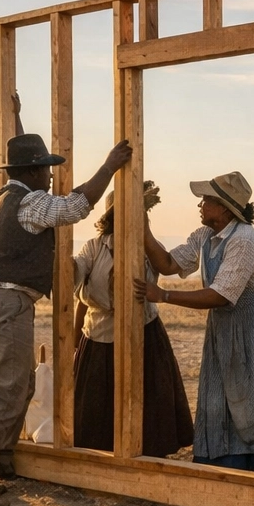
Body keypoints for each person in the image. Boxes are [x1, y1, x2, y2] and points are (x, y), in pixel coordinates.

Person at [0, 131, 133, 506]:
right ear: (31, 171)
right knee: (2, 394)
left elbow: (53, 206)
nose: (49, 178)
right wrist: (108, 167)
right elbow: (75, 206)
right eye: (44, 170)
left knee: (17, 386)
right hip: (5, 300)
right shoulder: (29, 203)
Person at [137, 171, 254, 474]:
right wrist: (142, 225)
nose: (201, 205)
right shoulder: (205, 236)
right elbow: (166, 263)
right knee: (223, 397)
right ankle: (226, 468)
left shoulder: (244, 240)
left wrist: (162, 296)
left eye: (207, 200)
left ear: (226, 208)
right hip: (229, 328)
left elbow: (220, 296)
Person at [71, 180, 194, 457]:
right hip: (101, 335)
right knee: (97, 404)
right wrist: (75, 337)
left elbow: (165, 264)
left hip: (144, 333)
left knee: (149, 400)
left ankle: (147, 456)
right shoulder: (93, 248)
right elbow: (78, 280)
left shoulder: (148, 248)